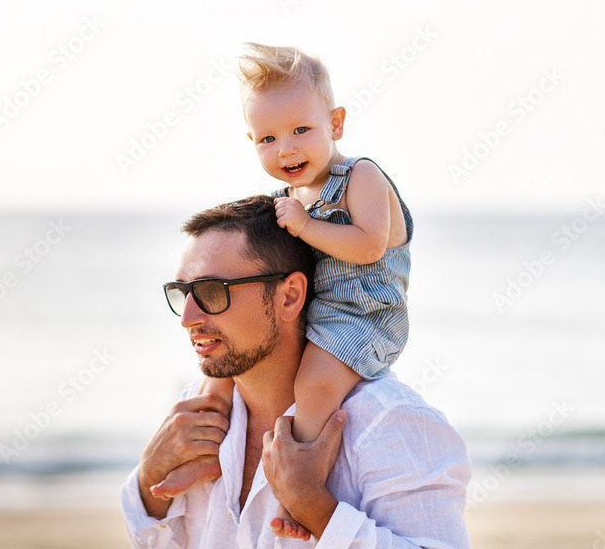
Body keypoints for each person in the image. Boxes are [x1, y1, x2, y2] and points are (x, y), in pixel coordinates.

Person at [150, 45, 415, 539]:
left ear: (335, 124)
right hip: (315, 306)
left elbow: (367, 245)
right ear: (251, 141)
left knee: (312, 387)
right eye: (268, 139)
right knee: (222, 375)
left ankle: (300, 488)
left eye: (300, 131)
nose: (286, 149)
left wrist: (305, 226)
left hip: (363, 314)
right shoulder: (289, 198)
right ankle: (207, 460)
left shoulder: (361, 177)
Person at [120, 195, 471, 547]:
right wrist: (149, 478)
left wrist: (317, 511)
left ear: (289, 296)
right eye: (182, 292)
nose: (187, 319)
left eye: (211, 291)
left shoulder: (390, 421)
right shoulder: (196, 413)